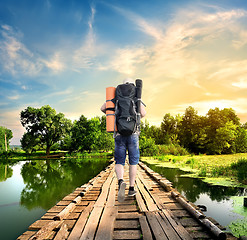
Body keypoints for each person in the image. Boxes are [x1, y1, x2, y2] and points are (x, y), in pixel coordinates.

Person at [100, 78, 146, 202]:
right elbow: (143, 113)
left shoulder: (117, 96)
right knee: (133, 162)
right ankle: (131, 188)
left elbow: (102, 108)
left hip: (119, 133)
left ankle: (121, 181)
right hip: (133, 134)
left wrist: (112, 111)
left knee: (119, 161)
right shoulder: (136, 97)